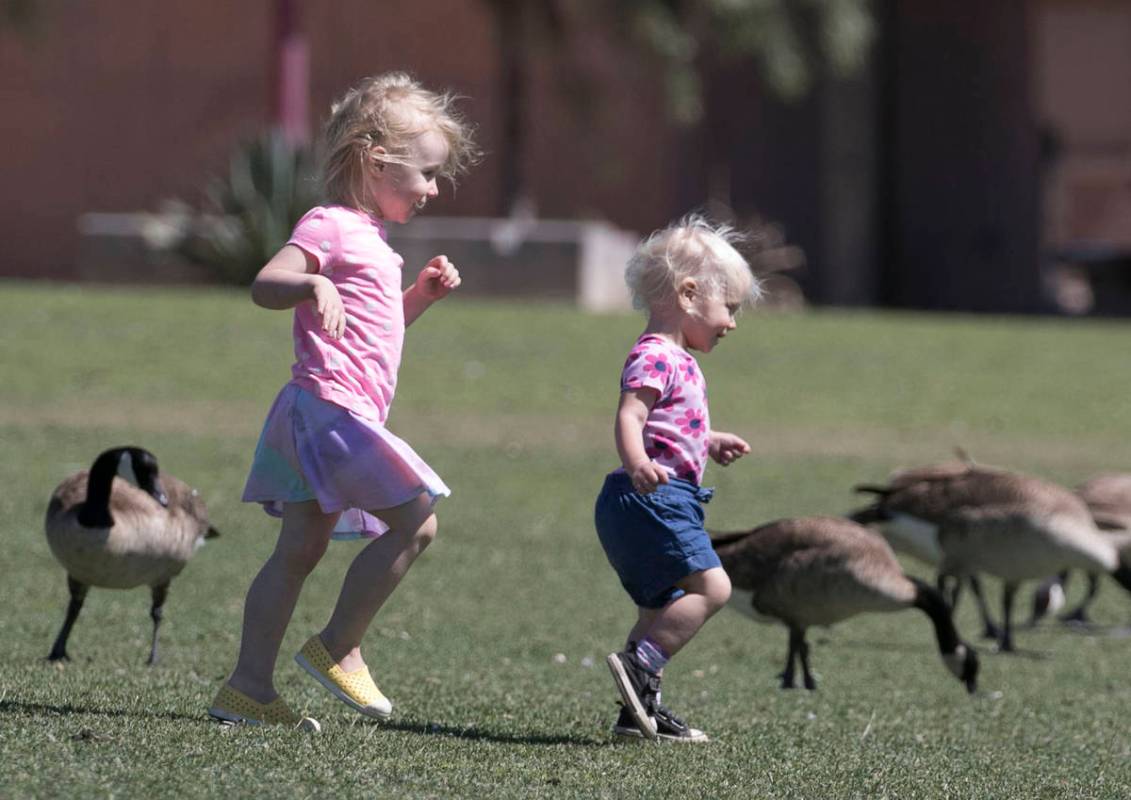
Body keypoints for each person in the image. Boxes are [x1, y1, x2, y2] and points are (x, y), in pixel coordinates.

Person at [209, 72, 479, 727]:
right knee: (418, 521)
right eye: (425, 173)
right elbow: (266, 282)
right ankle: (338, 648)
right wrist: (308, 287)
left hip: (322, 413)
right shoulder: (329, 225)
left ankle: (247, 690)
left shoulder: (373, 244)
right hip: (329, 411)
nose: (433, 189)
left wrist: (419, 298)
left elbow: (371, 334)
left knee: (299, 550)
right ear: (373, 161)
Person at [595, 216, 762, 743]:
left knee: (659, 607)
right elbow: (631, 417)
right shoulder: (653, 354)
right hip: (652, 496)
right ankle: (641, 667)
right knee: (713, 587)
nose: (732, 323)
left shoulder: (679, 359)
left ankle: (638, 713)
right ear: (689, 295)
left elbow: (673, 422)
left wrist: (708, 440)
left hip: (664, 496)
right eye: (729, 307)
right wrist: (637, 461)